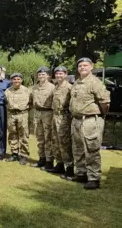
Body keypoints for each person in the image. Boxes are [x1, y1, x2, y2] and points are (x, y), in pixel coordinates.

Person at [68, 57, 110, 190]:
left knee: (91, 149)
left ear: (91, 67)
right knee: (78, 149)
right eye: (80, 66)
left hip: (90, 120)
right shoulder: (77, 82)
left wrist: (100, 116)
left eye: (85, 65)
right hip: (76, 120)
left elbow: (105, 102)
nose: (82, 68)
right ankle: (81, 173)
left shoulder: (95, 82)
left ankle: (93, 178)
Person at [48, 66, 74, 178]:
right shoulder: (56, 87)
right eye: (57, 74)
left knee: (65, 142)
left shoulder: (69, 88)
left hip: (64, 117)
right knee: (55, 141)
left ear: (66, 74)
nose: (59, 75)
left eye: (61, 73)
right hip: (55, 116)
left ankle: (69, 167)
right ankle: (59, 164)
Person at [31, 67, 56, 170]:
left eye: (43, 74)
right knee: (40, 137)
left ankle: (49, 161)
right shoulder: (34, 88)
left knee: (48, 138)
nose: (41, 76)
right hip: (37, 113)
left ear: (48, 76)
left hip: (48, 113)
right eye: (39, 75)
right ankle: (41, 159)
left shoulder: (52, 87)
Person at [4, 73, 32, 165]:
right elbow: (5, 102)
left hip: (22, 115)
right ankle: (14, 153)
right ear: (11, 80)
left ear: (21, 80)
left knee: (23, 135)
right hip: (11, 115)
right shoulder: (8, 91)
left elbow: (31, 103)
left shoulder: (27, 91)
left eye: (18, 79)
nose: (16, 81)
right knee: (12, 135)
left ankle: (23, 155)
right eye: (14, 79)